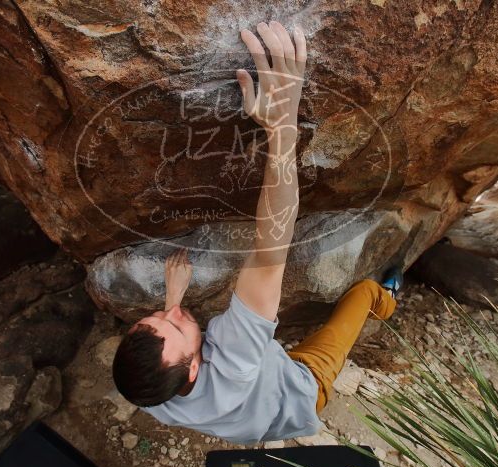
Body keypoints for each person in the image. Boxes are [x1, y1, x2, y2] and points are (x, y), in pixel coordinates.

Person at [112, 20, 402, 445]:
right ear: (195, 367)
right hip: (303, 390)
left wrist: (173, 306)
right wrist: (281, 124)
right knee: (361, 293)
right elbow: (270, 251)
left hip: (255, 415)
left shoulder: (153, 394)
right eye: (174, 326)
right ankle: (389, 300)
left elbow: (165, 351)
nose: (167, 314)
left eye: (152, 318)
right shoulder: (235, 359)